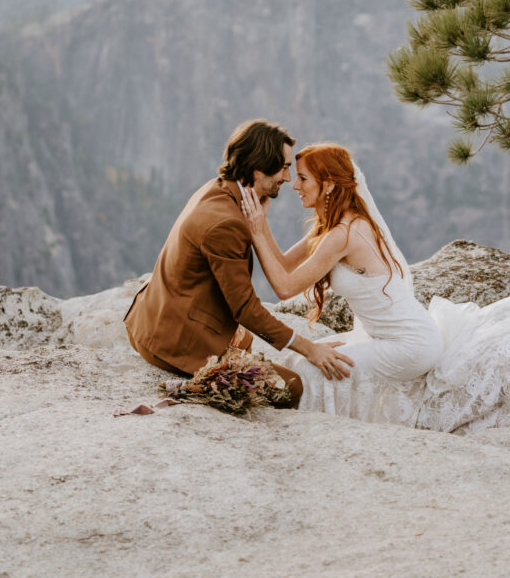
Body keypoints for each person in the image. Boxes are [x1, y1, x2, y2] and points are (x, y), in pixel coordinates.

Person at [240, 142, 510, 431]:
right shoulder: (331, 226)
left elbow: (286, 287)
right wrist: (261, 226)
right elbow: (285, 265)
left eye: (303, 178)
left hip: (410, 347)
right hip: (394, 337)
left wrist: (258, 230)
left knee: (314, 373)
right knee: (303, 359)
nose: (294, 186)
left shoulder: (344, 233)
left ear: (327, 184)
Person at [123, 120, 354, 409]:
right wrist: (309, 348)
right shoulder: (226, 223)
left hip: (154, 321)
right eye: (283, 168)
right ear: (258, 169)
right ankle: (197, 387)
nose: (287, 177)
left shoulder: (220, 190)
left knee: (244, 342)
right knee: (293, 388)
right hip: (174, 343)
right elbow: (244, 308)